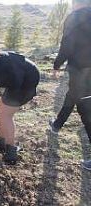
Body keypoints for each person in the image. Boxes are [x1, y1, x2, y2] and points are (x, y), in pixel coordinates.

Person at [48, 0, 91, 170]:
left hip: (80, 68)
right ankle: (57, 124)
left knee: (84, 106)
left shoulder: (75, 17)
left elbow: (67, 43)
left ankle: (57, 124)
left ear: (75, 3)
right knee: (72, 95)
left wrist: (57, 64)